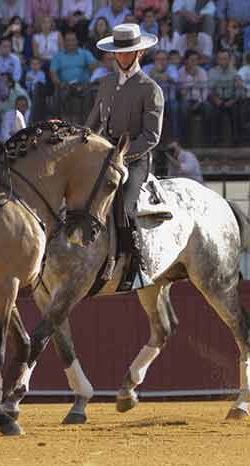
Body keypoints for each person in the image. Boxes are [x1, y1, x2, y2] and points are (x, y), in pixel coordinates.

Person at [86, 23, 163, 290]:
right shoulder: (106, 83)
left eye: (127, 53)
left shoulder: (150, 88)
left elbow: (152, 137)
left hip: (135, 160)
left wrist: (122, 155)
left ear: (139, 53)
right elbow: (93, 125)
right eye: (118, 53)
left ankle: (136, 266)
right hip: (104, 158)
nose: (121, 57)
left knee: (126, 208)